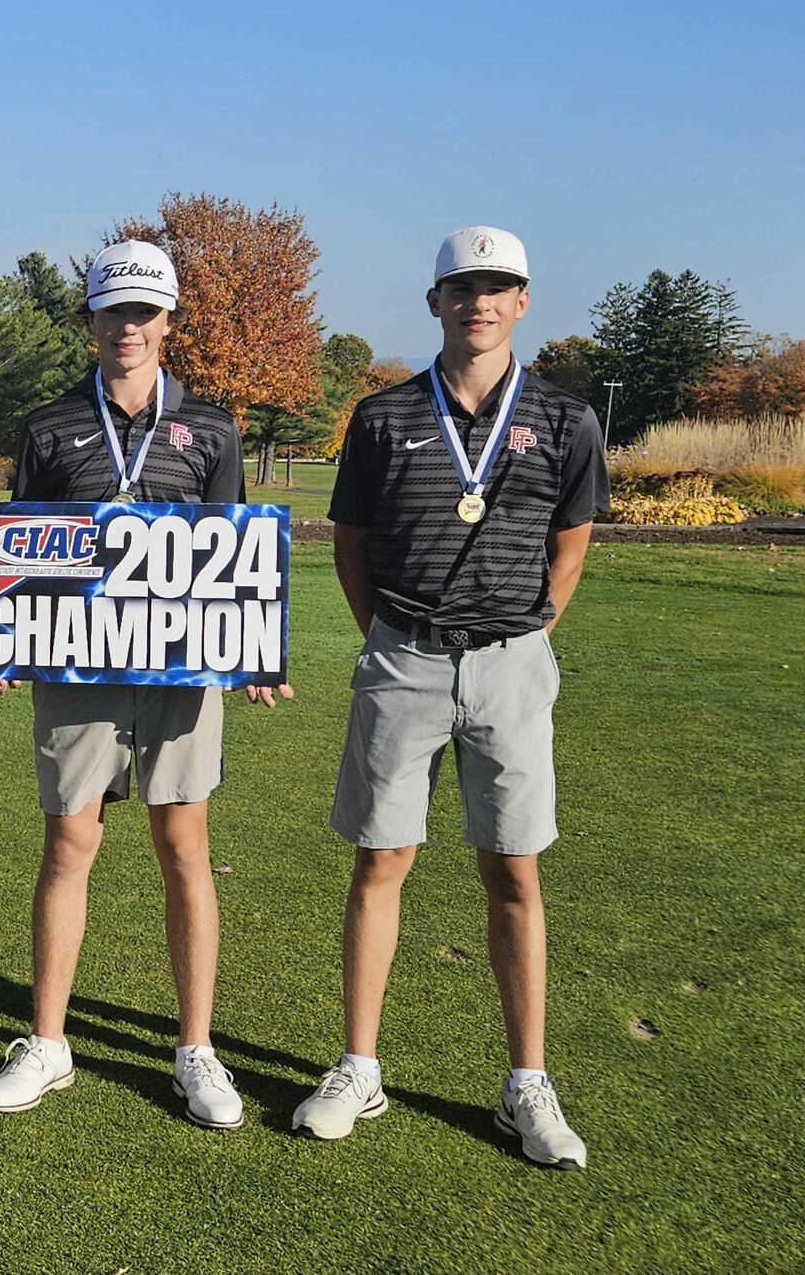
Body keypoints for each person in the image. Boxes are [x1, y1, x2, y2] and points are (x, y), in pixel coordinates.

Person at [291, 226, 606, 1170]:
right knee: (381, 859)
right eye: (462, 287)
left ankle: (527, 1083)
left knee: (514, 868)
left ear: (522, 301)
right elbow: (351, 544)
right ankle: (359, 1067)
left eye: (497, 287)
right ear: (435, 301)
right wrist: (388, 638)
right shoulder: (384, 415)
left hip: (511, 662)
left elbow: (572, 540)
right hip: (405, 657)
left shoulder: (564, 417)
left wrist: (528, 632)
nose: (479, 302)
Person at [0, 240, 290, 1122]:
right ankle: (48, 1041)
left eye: (145, 312)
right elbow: (23, 548)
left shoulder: (212, 428)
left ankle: (197, 1050)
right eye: (114, 310)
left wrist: (251, 650)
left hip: (181, 669)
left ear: (168, 321)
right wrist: (6, 641)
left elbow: (233, 550)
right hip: (79, 663)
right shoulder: (49, 425)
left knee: (184, 844)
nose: (129, 327)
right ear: (91, 320)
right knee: (69, 842)